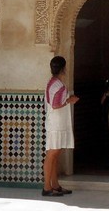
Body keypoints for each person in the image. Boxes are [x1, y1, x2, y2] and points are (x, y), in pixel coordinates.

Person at [43, 56, 79, 197]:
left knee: (55, 155)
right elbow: (56, 104)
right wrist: (70, 100)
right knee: (52, 154)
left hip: (56, 122)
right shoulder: (58, 85)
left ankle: (55, 185)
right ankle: (47, 187)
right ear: (63, 68)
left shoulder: (53, 83)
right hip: (56, 124)